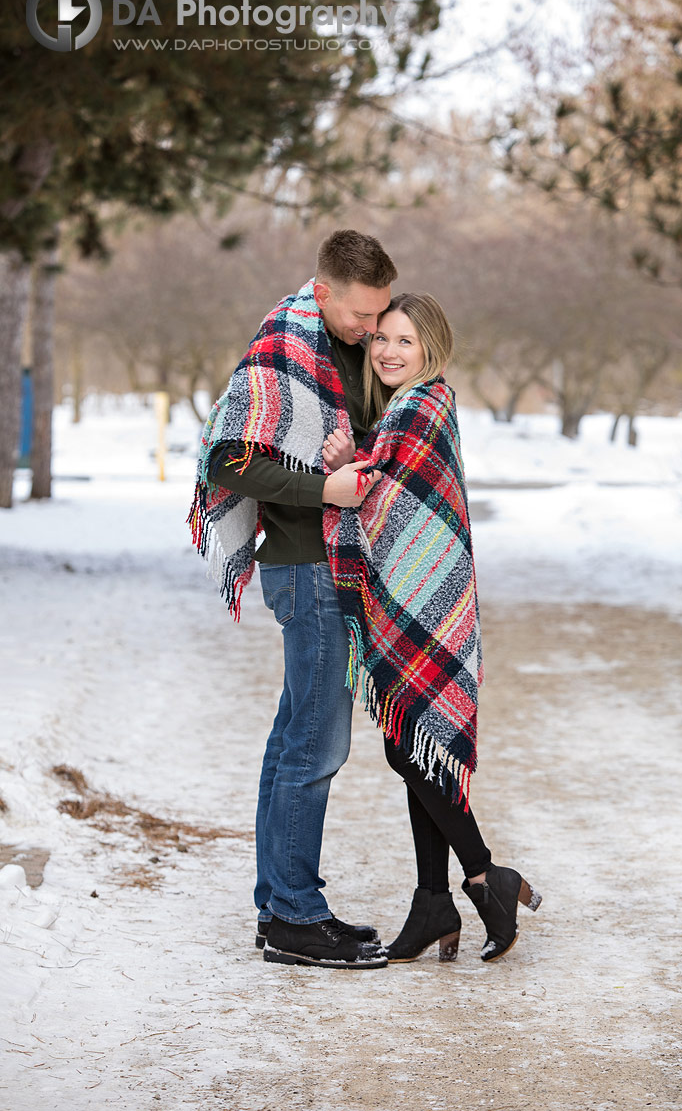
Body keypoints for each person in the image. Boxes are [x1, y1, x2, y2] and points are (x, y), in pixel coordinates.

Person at [188, 229, 397, 970]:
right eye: (360, 315)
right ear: (322, 292)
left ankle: (279, 906)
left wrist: (358, 458)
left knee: (293, 742)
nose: (370, 329)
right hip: (306, 569)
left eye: (379, 316)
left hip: (327, 565)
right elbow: (227, 458)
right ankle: (297, 920)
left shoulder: (347, 348)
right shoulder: (283, 345)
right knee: (317, 745)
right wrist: (324, 489)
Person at [322, 292, 541, 963]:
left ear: (430, 350)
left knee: (411, 747)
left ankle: (481, 877)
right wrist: (359, 457)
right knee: (413, 744)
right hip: (419, 603)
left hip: (421, 603)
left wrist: (338, 471)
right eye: (382, 338)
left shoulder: (417, 408)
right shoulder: (416, 405)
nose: (388, 350)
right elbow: (383, 479)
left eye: (404, 342)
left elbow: (376, 497)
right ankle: (432, 903)